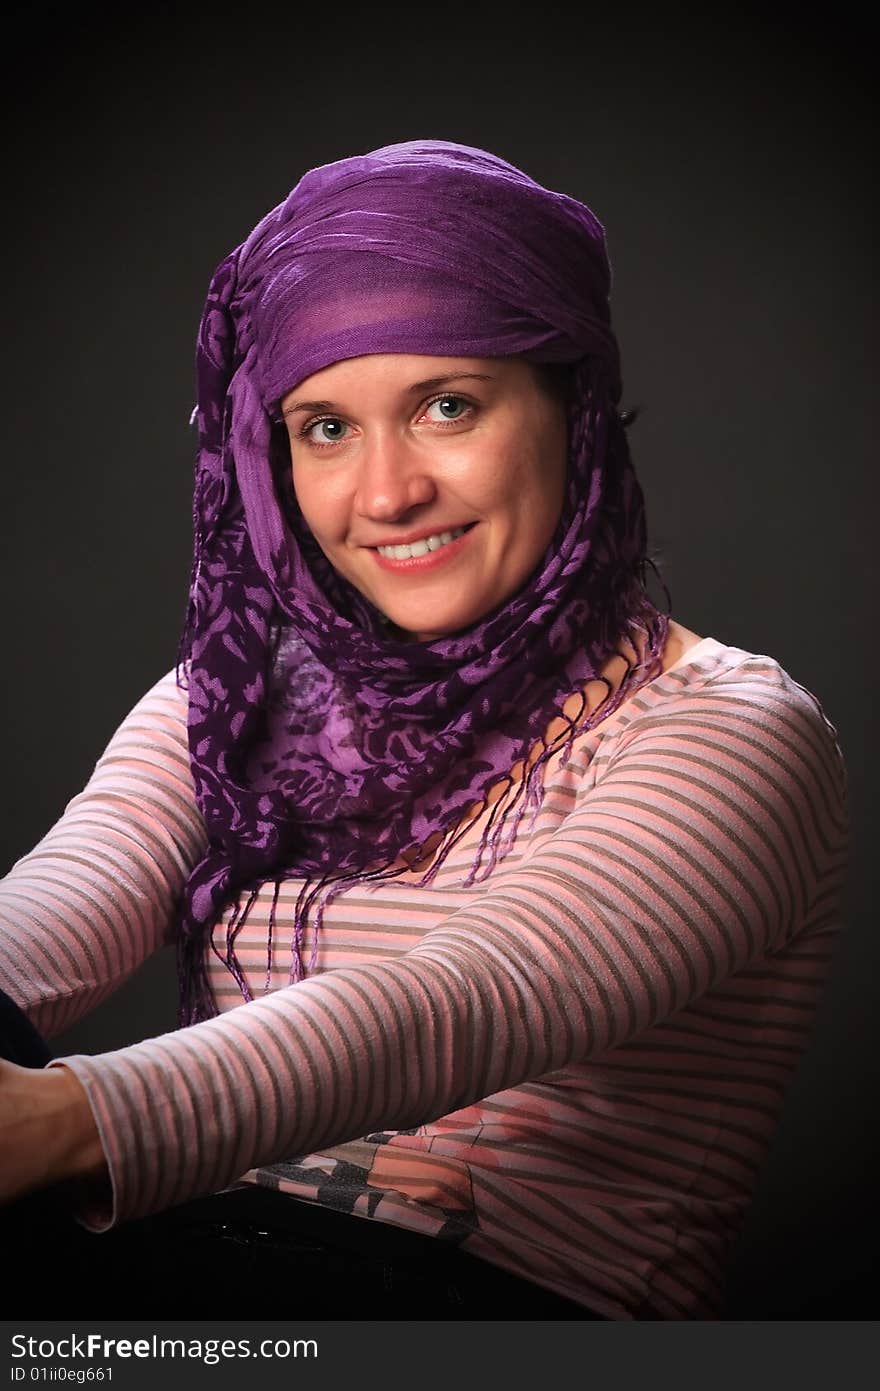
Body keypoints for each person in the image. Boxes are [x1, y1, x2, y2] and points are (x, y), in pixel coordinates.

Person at [0, 139, 849, 1320]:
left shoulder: (731, 730)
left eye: (446, 405)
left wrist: (56, 1121)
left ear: (573, 403)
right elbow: (55, 909)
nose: (386, 492)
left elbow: (464, 996)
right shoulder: (241, 689)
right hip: (172, 1286)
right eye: (325, 428)